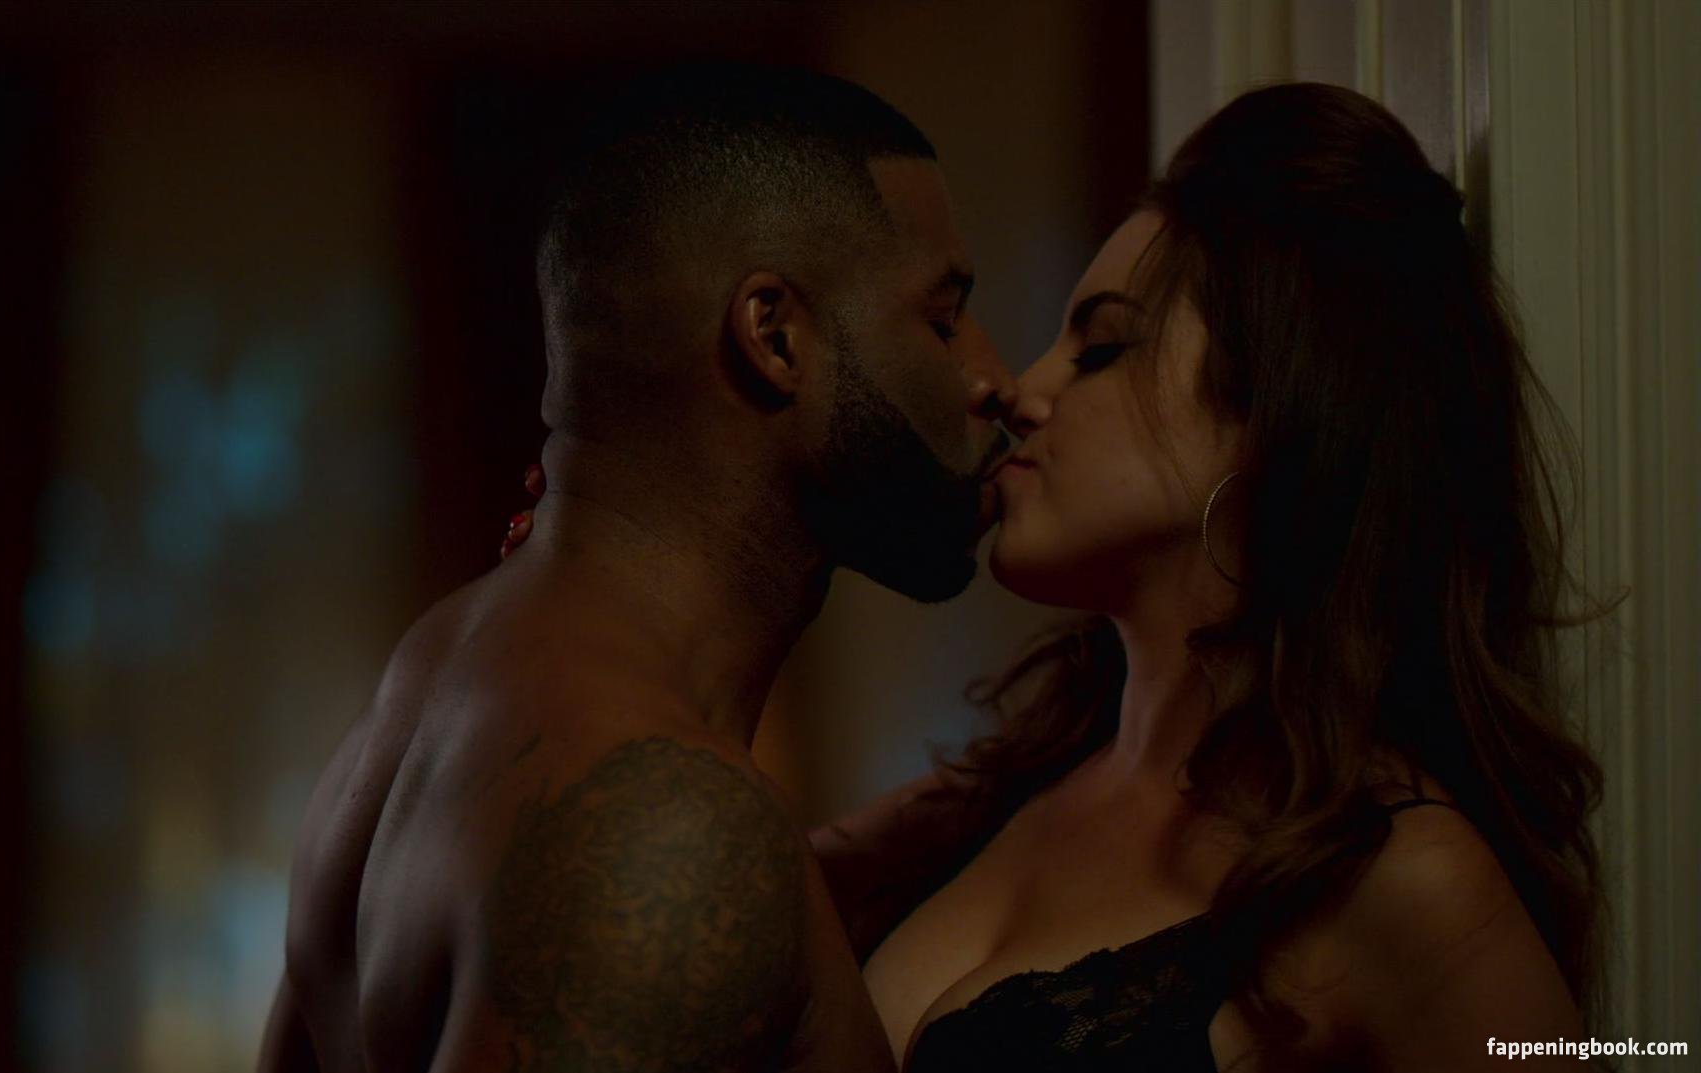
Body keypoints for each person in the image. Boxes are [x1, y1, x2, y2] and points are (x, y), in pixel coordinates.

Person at [506, 82, 1608, 1072]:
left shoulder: (1400, 874)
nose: (1023, 388)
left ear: (1276, 419)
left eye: (1103, 347)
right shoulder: (989, 793)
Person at [257, 65, 1017, 1073]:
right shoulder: (661, 823)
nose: (995, 379)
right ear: (774, 336)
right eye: (943, 317)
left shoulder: (434, 678)